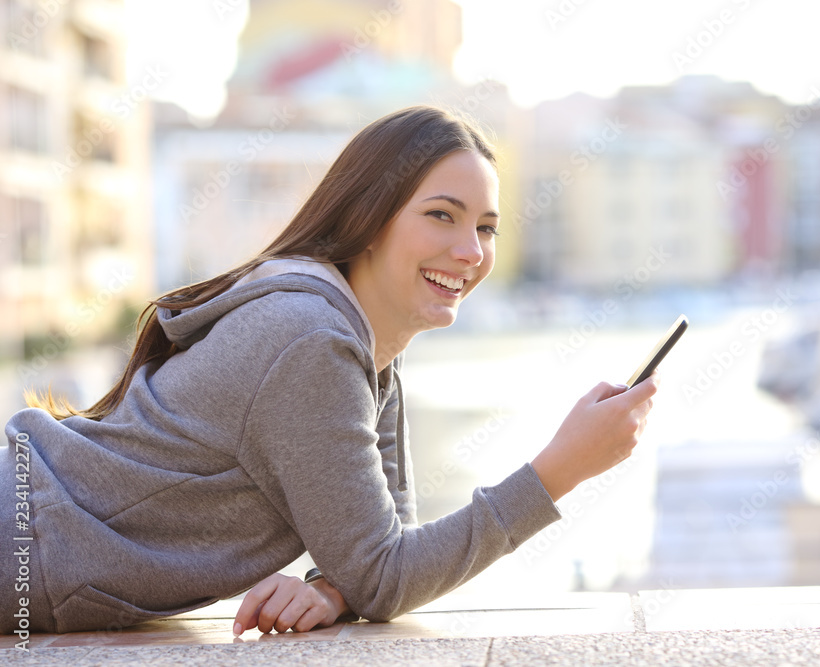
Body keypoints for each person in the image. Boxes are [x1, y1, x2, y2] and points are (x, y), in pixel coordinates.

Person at [1, 106, 659, 637]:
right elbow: (389, 574)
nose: (470, 251)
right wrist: (561, 469)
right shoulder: (311, 338)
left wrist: (330, 586)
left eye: (486, 227)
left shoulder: (368, 345)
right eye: (441, 215)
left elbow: (380, 549)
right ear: (370, 219)